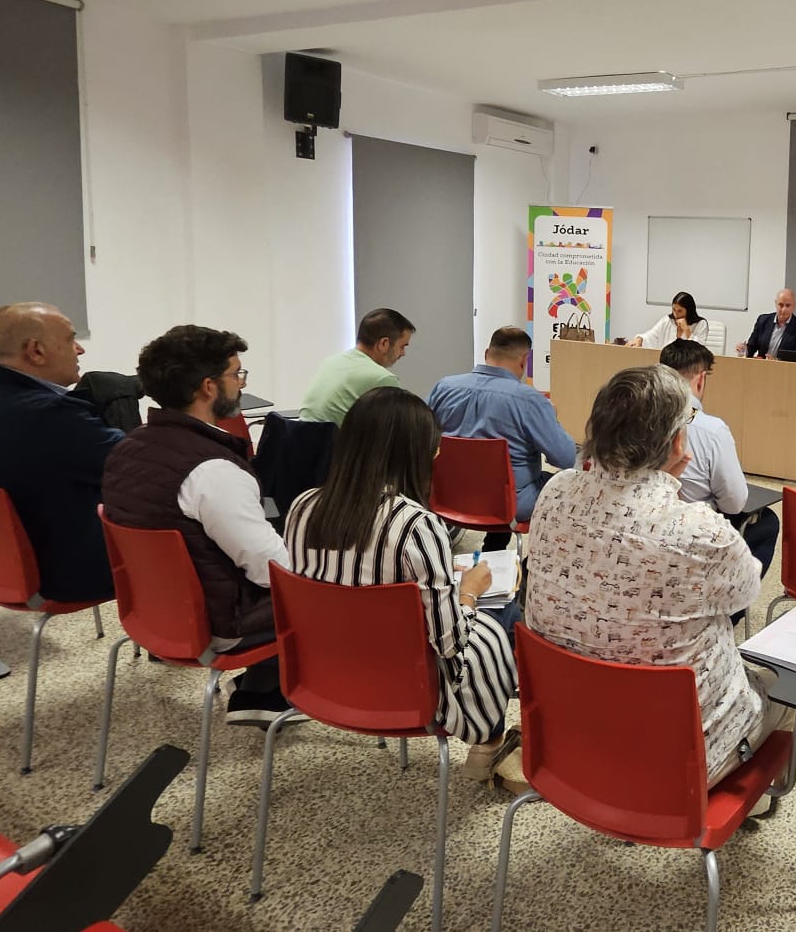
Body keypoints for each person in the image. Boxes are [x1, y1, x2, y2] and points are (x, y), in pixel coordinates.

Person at [525, 365, 793, 798]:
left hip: (572, 737)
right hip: (675, 761)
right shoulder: (700, 531)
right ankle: (749, 798)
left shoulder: (555, 492)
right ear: (676, 443)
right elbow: (746, 592)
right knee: (783, 691)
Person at [282, 388, 521, 781]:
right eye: (435, 449)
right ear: (412, 454)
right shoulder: (415, 526)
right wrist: (468, 591)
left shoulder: (302, 507)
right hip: (408, 688)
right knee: (500, 620)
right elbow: (449, 643)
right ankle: (490, 741)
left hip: (325, 675)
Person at [102, 325, 300, 726]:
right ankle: (271, 691)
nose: (241, 385)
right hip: (221, 623)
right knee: (333, 577)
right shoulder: (213, 471)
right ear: (209, 387)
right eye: (236, 374)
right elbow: (275, 572)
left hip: (155, 615)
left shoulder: (125, 450)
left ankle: (264, 685)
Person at [0, 303, 124, 602]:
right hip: (66, 572)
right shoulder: (51, 414)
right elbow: (137, 468)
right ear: (35, 351)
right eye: (70, 339)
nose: (80, 350)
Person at [425, 326, 577, 551]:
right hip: (509, 505)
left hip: (446, 497)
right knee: (567, 481)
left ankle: (493, 548)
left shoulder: (444, 387)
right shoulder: (530, 401)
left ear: (487, 354)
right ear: (524, 361)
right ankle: (533, 563)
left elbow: (419, 437)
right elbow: (565, 458)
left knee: (493, 478)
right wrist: (551, 418)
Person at [658, 341, 779, 587]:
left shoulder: (637, 415)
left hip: (648, 523)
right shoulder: (712, 430)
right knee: (767, 522)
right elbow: (734, 504)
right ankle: (730, 604)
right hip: (694, 533)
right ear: (701, 379)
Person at [298, 308, 416, 424]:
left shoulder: (330, 362)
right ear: (383, 343)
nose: (403, 353)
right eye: (402, 346)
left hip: (304, 440)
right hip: (337, 442)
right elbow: (399, 430)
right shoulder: (382, 378)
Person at [736, 288, 796, 360]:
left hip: (784, 370)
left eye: (788, 305)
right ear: (775, 303)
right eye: (780, 305)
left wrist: (776, 361)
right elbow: (751, 348)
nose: (783, 309)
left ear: (794, 306)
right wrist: (743, 350)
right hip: (761, 367)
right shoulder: (763, 320)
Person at [625, 291, 711, 349]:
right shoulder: (667, 320)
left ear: (689, 310)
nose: (676, 314)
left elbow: (700, 350)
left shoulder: (701, 324)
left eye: (680, 311)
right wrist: (640, 339)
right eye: (674, 310)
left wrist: (687, 331)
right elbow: (652, 335)